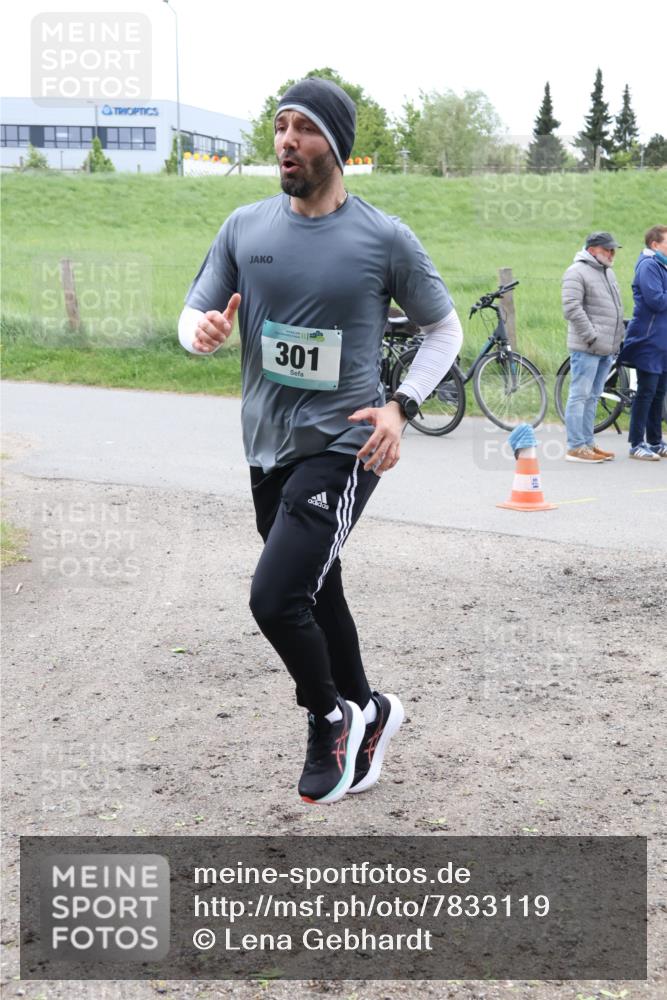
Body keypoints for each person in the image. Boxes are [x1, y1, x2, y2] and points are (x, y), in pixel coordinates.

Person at [178, 77, 463, 805]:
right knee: (317, 583)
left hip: (344, 444)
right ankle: (373, 709)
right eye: (279, 126)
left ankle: (328, 713)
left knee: (275, 597)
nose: (286, 141)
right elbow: (194, 313)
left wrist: (400, 407)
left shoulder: (382, 237)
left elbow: (443, 328)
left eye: (304, 128)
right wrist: (201, 332)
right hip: (265, 445)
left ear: (334, 144)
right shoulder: (245, 227)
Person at [562, 232, 625, 462]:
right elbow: (571, 308)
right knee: (579, 396)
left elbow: (616, 307)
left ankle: (588, 443)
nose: (612, 254)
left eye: (613, 250)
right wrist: (591, 336)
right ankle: (575, 446)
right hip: (587, 347)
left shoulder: (607, 272)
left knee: (593, 397)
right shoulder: (576, 272)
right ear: (592, 250)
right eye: (607, 249)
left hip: (605, 348)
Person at [617, 225, 667, 461]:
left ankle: (656, 442)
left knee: (659, 393)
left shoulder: (663, 265)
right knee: (646, 392)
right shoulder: (648, 266)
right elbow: (656, 300)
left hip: (663, 341)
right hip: (648, 338)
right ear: (655, 245)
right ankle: (637, 443)